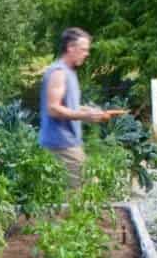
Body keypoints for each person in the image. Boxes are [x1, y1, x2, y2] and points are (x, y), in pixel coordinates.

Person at [39, 27, 110, 189]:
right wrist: (84, 116)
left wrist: (87, 110)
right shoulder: (58, 72)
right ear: (70, 47)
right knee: (84, 192)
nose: (87, 53)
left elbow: (68, 105)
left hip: (68, 142)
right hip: (61, 143)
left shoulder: (69, 72)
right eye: (84, 49)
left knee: (80, 192)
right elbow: (53, 108)